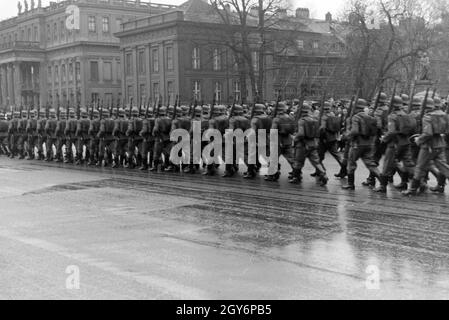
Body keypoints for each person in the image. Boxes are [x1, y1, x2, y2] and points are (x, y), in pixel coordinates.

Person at [403, 98, 449, 195]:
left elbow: (428, 133)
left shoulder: (427, 116)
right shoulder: (444, 115)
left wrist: (418, 140)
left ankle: (412, 190)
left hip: (428, 146)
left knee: (419, 167)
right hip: (441, 143)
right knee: (444, 167)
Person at [342, 99, 382, 190]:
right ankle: (383, 183)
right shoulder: (370, 117)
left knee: (351, 164)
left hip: (357, 144)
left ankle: (350, 184)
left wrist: (347, 136)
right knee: (370, 164)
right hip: (369, 144)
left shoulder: (356, 117)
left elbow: (355, 131)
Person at [290, 104, 328, 186]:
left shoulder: (302, 121)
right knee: (316, 161)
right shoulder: (314, 119)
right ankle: (323, 174)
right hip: (313, 143)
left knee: (298, 161)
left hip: (302, 144)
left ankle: (296, 177)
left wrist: (294, 138)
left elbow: (301, 134)